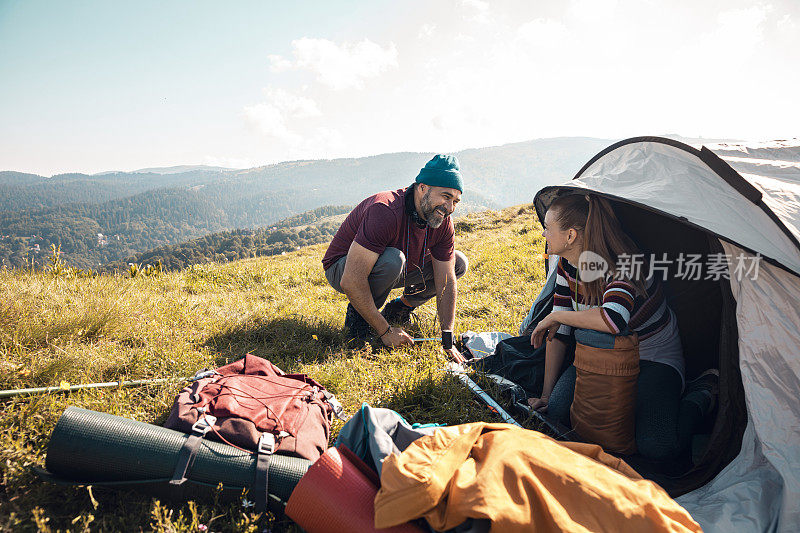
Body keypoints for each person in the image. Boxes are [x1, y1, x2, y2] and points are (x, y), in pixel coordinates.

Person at [527, 194, 718, 461]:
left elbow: (613, 319)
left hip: (652, 356)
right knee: (558, 413)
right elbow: (558, 334)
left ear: (570, 235)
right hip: (602, 356)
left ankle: (699, 394)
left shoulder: (623, 261)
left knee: (659, 446)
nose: (544, 233)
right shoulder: (566, 265)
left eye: (548, 227)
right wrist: (547, 393)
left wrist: (555, 318)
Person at [322, 154, 469, 362]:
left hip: (396, 266)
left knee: (458, 263)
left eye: (455, 201)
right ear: (422, 187)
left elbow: (446, 280)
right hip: (343, 267)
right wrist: (385, 331)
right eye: (445, 197)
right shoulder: (385, 210)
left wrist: (447, 339)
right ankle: (358, 324)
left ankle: (400, 307)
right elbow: (351, 280)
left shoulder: (443, 221)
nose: (450, 207)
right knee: (393, 259)